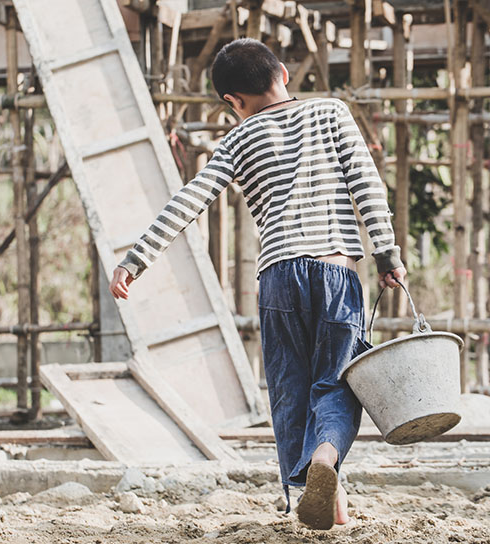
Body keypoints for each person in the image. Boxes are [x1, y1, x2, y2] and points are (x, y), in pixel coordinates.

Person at [109, 38, 406, 530]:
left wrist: (136, 259)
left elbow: (190, 199)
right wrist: (387, 253)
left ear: (233, 101)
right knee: (336, 383)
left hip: (278, 279)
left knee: (290, 390)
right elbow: (368, 185)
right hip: (336, 271)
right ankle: (326, 459)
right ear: (283, 73)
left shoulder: (239, 139)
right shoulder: (331, 113)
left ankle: (311, 500)